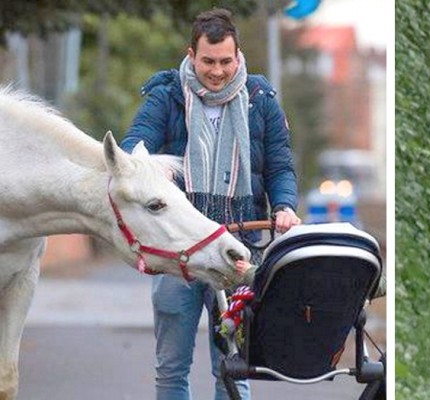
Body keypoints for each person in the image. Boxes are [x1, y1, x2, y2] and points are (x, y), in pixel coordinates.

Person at [120, 8, 301, 400]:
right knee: (170, 369)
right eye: (208, 61)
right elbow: (133, 147)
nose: (217, 71)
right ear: (191, 54)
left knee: (233, 370)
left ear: (237, 56)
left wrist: (284, 205)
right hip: (178, 255)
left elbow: (281, 166)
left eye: (225, 61)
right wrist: (150, 167)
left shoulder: (261, 101)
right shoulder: (167, 96)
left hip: (237, 252)